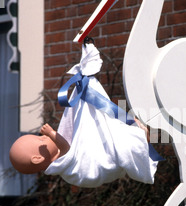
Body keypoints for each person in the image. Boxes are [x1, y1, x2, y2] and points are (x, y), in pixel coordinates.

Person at [9, 40, 160, 187]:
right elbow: (64, 145)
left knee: (115, 135)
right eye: (41, 140)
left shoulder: (60, 165)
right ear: (37, 159)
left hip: (98, 156)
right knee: (121, 144)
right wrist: (51, 133)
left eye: (42, 136)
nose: (43, 136)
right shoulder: (61, 161)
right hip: (99, 163)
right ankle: (142, 137)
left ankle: (140, 136)